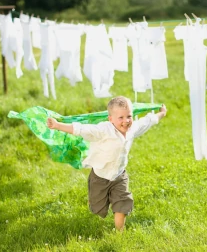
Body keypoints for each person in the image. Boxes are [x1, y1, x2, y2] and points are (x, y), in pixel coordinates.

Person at [46, 96, 167, 231]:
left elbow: (147, 121)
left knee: (122, 204)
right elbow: (81, 129)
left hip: (119, 176)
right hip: (100, 176)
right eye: (121, 118)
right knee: (97, 209)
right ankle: (94, 201)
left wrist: (161, 113)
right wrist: (57, 125)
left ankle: (119, 234)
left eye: (129, 116)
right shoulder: (103, 130)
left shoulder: (132, 128)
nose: (126, 121)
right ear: (110, 119)